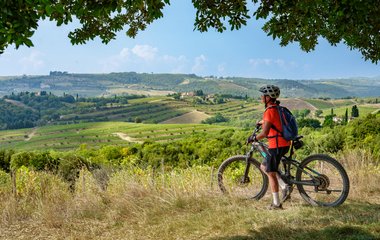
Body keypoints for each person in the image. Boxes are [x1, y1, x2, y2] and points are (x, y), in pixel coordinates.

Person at [249, 85, 290, 210]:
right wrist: (262, 122)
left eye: (263, 95)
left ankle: (277, 204)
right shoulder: (277, 108)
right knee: (264, 166)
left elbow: (264, 133)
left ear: (268, 97)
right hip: (284, 143)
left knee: (270, 172)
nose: (261, 97)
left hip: (276, 145)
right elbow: (274, 121)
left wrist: (254, 138)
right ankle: (284, 186)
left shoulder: (269, 111)